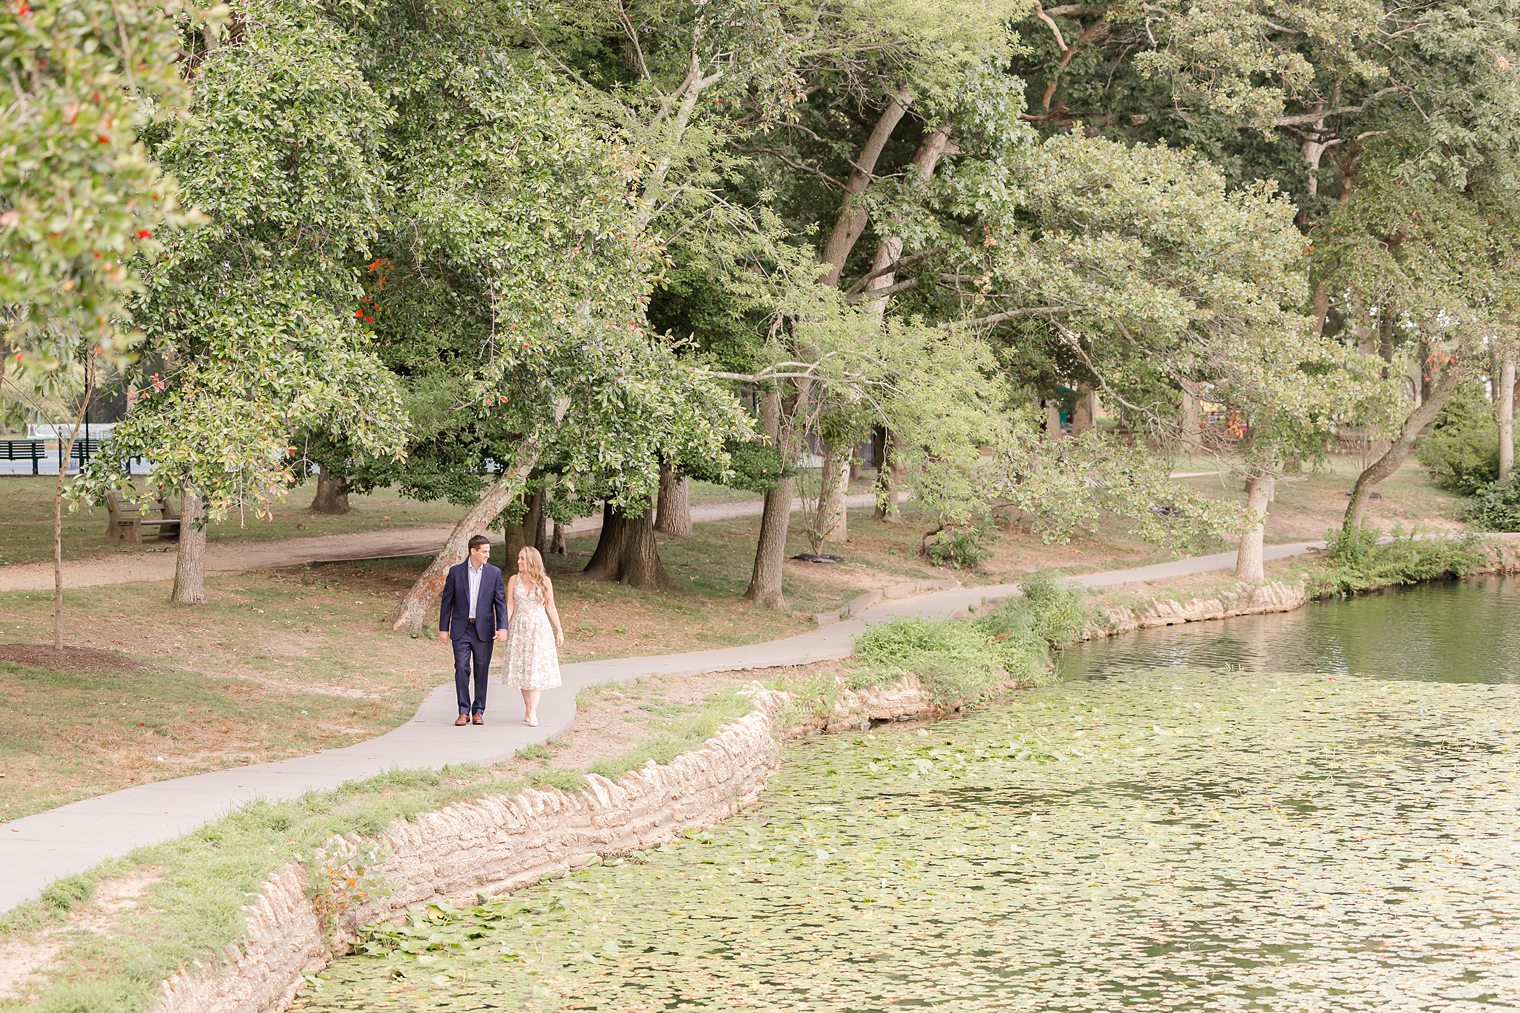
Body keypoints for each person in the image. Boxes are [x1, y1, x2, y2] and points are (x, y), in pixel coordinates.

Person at [438, 534, 508, 726]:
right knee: (461, 668)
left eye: (488, 551)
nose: (487, 555)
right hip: (461, 629)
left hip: (484, 630)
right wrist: (443, 628)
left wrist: (503, 627)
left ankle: (478, 711)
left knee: (481, 670)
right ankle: (463, 711)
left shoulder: (493, 573)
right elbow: (447, 602)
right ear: (473, 551)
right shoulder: (456, 572)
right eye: (484, 551)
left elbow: (500, 603)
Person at [503, 545, 564, 727]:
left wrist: (559, 629)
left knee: (535, 668)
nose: (518, 561)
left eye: (522, 558)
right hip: (519, 628)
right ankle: (528, 707)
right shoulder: (514, 580)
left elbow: (550, 606)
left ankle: (533, 711)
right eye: (518, 558)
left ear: (531, 561)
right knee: (523, 669)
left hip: (539, 628)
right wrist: (503, 627)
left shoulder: (545, 581)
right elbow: (509, 606)